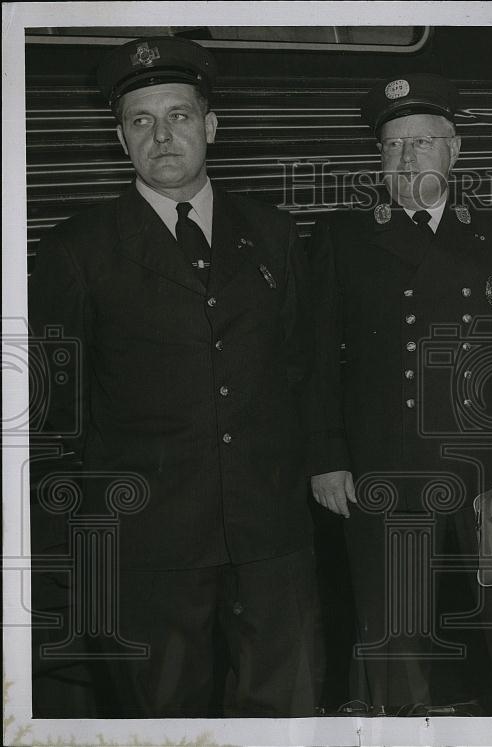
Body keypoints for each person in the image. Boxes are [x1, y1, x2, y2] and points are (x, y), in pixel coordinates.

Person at [28, 36, 322, 717]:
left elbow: (300, 368)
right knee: (164, 719)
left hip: (271, 535)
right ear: (120, 138)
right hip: (148, 546)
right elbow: (54, 411)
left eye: (180, 115)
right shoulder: (78, 248)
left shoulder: (272, 232)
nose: (163, 135)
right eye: (141, 120)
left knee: (287, 711)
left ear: (210, 126)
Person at [307, 73, 492, 715]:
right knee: (395, 635)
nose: (406, 159)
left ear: (454, 149)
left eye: (421, 143)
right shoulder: (341, 236)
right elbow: (313, 358)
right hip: (386, 461)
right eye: (392, 147)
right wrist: (327, 455)